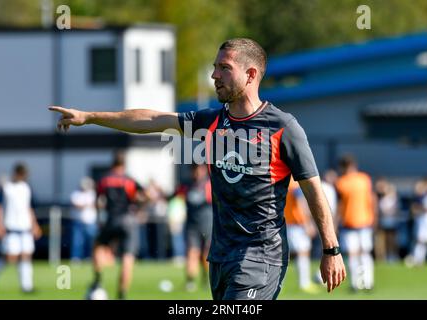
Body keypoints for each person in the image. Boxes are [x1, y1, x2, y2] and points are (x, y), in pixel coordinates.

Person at [49, 37, 346, 300]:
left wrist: (331, 250)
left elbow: (314, 191)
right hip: (219, 257)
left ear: (251, 74)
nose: (214, 75)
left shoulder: (283, 127)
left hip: (261, 255)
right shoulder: (211, 121)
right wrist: (88, 116)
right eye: (215, 67)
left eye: (224, 68)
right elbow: (153, 120)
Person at [89, 151, 143, 300]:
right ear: (124, 165)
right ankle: (122, 294)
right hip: (129, 220)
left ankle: (98, 279)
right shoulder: (129, 180)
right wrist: (139, 210)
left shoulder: (104, 180)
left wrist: (99, 218)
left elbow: (98, 200)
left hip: (111, 219)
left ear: (112, 164)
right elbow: (145, 196)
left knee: (98, 246)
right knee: (127, 257)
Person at [0, 163, 42, 293]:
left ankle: (26, 286)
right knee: (9, 257)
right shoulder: (6, 187)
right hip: (11, 227)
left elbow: (29, 207)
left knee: (26, 256)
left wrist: (34, 225)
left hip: (25, 227)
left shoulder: (26, 188)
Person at [335, 155, 376, 292]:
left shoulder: (341, 182)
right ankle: (368, 282)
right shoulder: (364, 179)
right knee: (365, 253)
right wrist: (374, 218)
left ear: (342, 167)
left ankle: (355, 283)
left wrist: (334, 224)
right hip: (365, 221)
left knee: (353, 255)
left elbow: (339, 206)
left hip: (349, 223)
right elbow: (372, 200)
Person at [181, 164, 213, 292]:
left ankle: (207, 279)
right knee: (192, 253)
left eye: (199, 169)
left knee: (206, 255)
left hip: (208, 224)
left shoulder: (210, 184)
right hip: (192, 225)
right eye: (194, 169)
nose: (197, 172)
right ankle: (190, 282)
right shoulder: (187, 185)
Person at [284, 178, 319, 293]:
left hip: (287, 222)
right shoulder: (294, 184)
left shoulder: (283, 181)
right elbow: (301, 204)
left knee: (293, 253)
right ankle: (304, 283)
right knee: (303, 252)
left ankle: (303, 282)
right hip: (297, 223)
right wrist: (307, 223)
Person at [69, 177, 98, 263]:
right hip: (78, 222)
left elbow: (96, 205)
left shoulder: (92, 193)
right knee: (77, 241)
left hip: (90, 222)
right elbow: (76, 205)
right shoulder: (76, 194)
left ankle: (88, 257)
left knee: (90, 241)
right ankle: (76, 258)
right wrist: (86, 205)